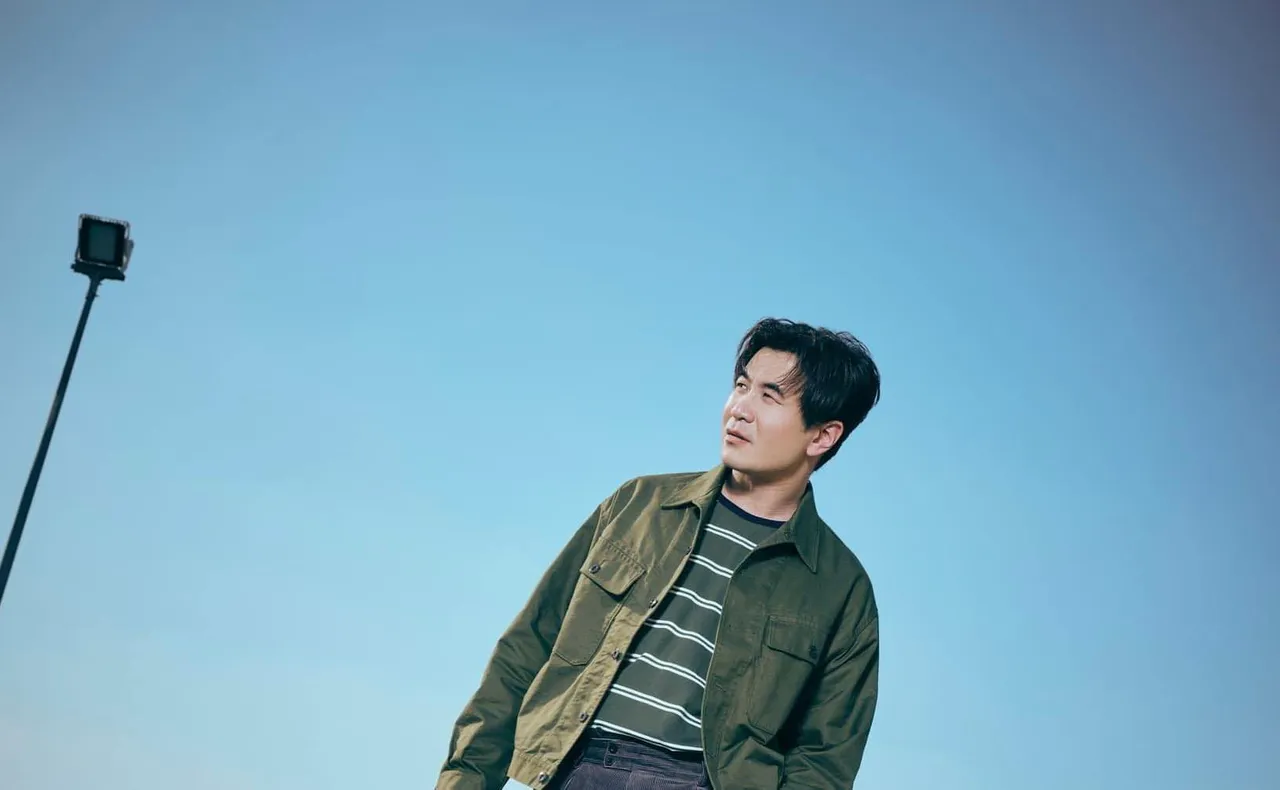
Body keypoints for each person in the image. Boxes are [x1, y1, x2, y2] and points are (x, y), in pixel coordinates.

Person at [436, 317, 882, 790]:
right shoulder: (638, 505)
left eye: (769, 397)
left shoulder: (841, 588)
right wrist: (464, 779)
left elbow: (824, 759)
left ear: (822, 436)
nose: (739, 409)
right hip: (577, 768)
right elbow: (528, 648)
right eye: (741, 386)